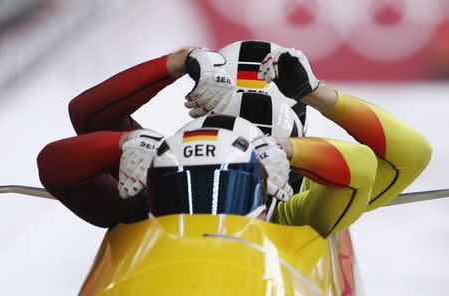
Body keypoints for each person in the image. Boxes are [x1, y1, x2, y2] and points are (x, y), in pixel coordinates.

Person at [37, 43, 431, 238]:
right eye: (227, 127)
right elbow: (78, 128)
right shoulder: (153, 178)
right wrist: (179, 60)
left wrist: (314, 98)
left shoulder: (305, 208)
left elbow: (400, 156)